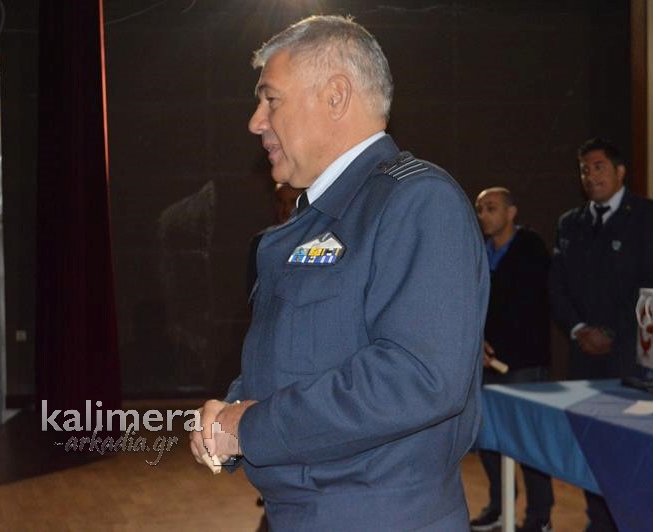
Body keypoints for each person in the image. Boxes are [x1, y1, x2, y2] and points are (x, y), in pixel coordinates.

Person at [189, 15, 489, 532]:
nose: (256, 122)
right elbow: (300, 357)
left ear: (335, 96)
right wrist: (232, 410)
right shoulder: (317, 219)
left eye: (270, 100)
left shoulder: (418, 201)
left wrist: (251, 427)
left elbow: (417, 377)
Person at [549, 138, 653, 531]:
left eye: (599, 167)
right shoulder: (570, 222)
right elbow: (556, 287)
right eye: (584, 169)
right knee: (591, 444)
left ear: (620, 172)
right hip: (583, 353)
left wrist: (612, 333)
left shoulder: (649, 216)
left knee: (630, 446)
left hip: (629, 355)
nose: (590, 176)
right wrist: (578, 329)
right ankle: (598, 521)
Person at [471, 187, 554, 532]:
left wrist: (499, 345)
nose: (483, 215)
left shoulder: (530, 248)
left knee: (529, 442)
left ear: (511, 212)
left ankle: (539, 517)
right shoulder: (480, 251)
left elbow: (529, 307)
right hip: (487, 361)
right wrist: (478, 344)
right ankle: (499, 506)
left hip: (524, 362)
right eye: (479, 209)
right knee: (488, 439)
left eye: (491, 208)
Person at [246, 182, 302, 299]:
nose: (286, 209)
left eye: (293, 202)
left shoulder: (318, 237)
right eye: (281, 202)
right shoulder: (261, 241)